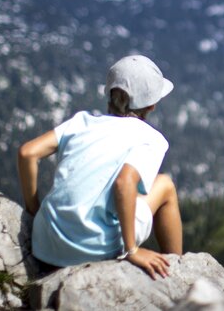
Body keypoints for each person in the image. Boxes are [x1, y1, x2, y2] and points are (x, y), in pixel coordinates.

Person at [17, 55, 182, 279]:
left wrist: (34, 212)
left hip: (46, 243)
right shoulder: (150, 138)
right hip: (93, 250)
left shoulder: (81, 122)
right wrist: (132, 250)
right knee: (165, 186)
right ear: (152, 104)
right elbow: (124, 183)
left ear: (110, 94)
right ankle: (178, 272)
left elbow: (27, 153)